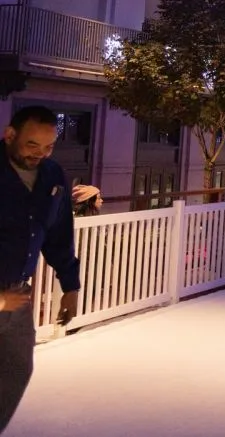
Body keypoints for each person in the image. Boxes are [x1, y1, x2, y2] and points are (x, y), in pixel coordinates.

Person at [1, 106, 81, 433]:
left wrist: (71, 286)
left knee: (17, 370)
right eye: (32, 145)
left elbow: (58, 233)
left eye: (48, 147)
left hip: (17, 300)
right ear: (10, 135)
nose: (40, 154)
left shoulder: (51, 176)